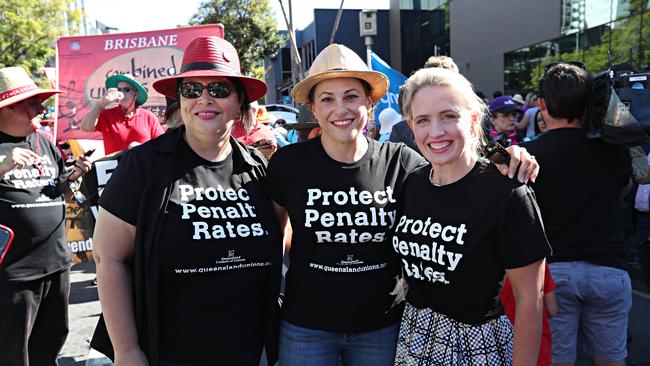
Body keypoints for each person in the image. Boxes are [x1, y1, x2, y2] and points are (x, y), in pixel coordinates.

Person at [266, 44, 539, 366]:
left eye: (351, 96)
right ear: (313, 107)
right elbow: (275, 231)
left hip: (384, 326)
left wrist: (506, 155)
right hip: (307, 325)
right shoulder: (288, 163)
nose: (341, 109)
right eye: (327, 98)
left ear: (370, 102)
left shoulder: (402, 161)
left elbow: (458, 158)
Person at [91, 36, 283, 366]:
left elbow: (284, 243)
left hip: (252, 350)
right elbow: (108, 258)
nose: (204, 99)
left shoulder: (260, 169)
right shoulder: (143, 166)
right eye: (192, 90)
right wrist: (126, 351)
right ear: (179, 101)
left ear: (239, 102)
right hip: (169, 352)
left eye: (219, 89)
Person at [393, 66, 550, 365]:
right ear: (411, 126)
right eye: (423, 120)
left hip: (476, 344)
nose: (436, 131)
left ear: (474, 120)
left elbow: (531, 299)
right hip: (413, 337)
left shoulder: (507, 193)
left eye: (449, 116)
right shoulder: (412, 183)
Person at [522, 62, 633, 366]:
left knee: (558, 360)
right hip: (610, 268)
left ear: (542, 104)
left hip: (555, 273)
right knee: (611, 360)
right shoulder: (614, 149)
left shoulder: (531, 155)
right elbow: (623, 190)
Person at [0, 66, 91, 365]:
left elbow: (59, 194)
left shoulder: (43, 143)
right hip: (13, 273)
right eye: (32, 103)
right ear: (10, 108)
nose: (42, 108)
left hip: (56, 264)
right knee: (12, 352)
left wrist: (71, 178)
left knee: (50, 344)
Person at [80, 73, 164, 154]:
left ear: (136, 94)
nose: (121, 93)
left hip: (142, 166)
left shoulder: (148, 116)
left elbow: (162, 144)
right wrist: (100, 104)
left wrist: (143, 148)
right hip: (115, 167)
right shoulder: (107, 115)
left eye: (126, 90)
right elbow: (85, 128)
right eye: (119, 90)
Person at [500, 262, 558, 366]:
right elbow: (552, 309)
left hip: (504, 345)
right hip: (538, 348)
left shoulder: (492, 269)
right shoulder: (538, 264)